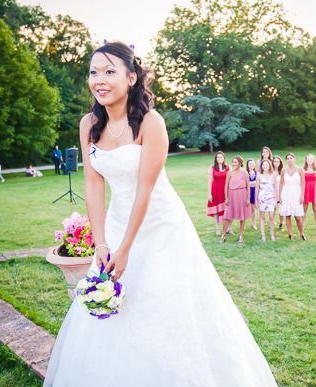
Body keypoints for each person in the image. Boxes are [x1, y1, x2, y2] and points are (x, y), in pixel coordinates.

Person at [44, 42, 277, 387]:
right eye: (94, 72)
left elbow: (145, 190)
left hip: (160, 225)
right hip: (118, 220)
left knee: (164, 304)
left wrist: (126, 248)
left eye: (110, 71)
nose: (99, 80)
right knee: (113, 314)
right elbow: (93, 184)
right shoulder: (89, 124)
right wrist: (103, 242)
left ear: (131, 77)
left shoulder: (151, 123)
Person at [221, 156, 252, 244]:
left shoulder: (245, 173)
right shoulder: (230, 173)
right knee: (227, 216)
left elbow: (248, 186)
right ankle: (223, 235)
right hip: (231, 195)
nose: (234, 164)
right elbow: (226, 186)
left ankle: (241, 236)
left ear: (240, 163)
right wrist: (226, 198)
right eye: (233, 162)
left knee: (242, 217)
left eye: (235, 162)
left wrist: (248, 198)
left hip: (242, 195)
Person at [279, 153, 305, 240]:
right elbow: (281, 183)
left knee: (298, 216)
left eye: (291, 158)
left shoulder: (300, 169)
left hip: (296, 193)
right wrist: (280, 196)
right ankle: (290, 234)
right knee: (288, 215)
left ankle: (301, 233)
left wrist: (302, 195)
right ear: (286, 160)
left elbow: (303, 183)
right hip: (286, 193)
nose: (289, 160)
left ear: (294, 159)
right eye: (288, 158)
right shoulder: (283, 170)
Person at [206, 151, 228, 236]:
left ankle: (229, 228)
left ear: (224, 158)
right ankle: (217, 229)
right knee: (215, 210)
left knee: (226, 210)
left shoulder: (227, 167)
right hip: (215, 191)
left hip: (225, 191)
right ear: (216, 159)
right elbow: (209, 181)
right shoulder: (212, 168)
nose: (220, 159)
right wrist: (209, 194)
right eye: (218, 157)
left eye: (221, 157)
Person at [255, 159, 278, 241]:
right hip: (262, 198)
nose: (265, 166)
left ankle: (272, 234)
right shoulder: (259, 175)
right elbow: (257, 188)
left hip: (271, 198)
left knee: (271, 217)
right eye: (263, 165)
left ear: (269, 165)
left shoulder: (273, 175)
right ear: (261, 166)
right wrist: (255, 200)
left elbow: (275, 187)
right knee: (262, 217)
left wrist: (277, 200)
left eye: (266, 164)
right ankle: (263, 235)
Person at [303, 154, 316, 233]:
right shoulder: (303, 169)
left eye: (311, 159)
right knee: (304, 209)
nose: (309, 160)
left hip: (314, 190)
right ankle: (302, 225)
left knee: (315, 209)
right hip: (306, 189)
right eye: (308, 159)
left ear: (314, 160)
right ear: (306, 160)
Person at [272, 156, 284, 231]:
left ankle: (281, 223)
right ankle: (272, 222)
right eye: (275, 161)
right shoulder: (271, 171)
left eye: (278, 161)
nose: (276, 163)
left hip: (281, 191)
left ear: (280, 163)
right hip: (273, 191)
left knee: (281, 208)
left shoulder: (283, 171)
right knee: (273, 208)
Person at [246, 158, 258, 230]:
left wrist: (250, 183)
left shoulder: (257, 173)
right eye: (250, 164)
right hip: (246, 192)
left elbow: (258, 183)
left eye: (253, 163)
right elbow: (245, 183)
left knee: (253, 209)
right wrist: (253, 183)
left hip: (254, 192)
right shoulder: (245, 173)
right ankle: (243, 222)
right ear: (247, 165)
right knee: (246, 208)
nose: (251, 165)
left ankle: (253, 223)